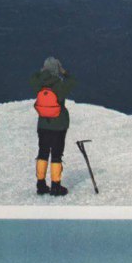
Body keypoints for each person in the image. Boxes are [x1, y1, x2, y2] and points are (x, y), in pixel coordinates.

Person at [30, 57, 76, 196]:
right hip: (59, 125)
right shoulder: (59, 85)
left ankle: (41, 184)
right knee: (56, 154)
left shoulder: (38, 83)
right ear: (57, 69)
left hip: (43, 124)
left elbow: (33, 77)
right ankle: (56, 186)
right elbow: (73, 81)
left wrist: (42, 71)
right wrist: (64, 72)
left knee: (43, 152)